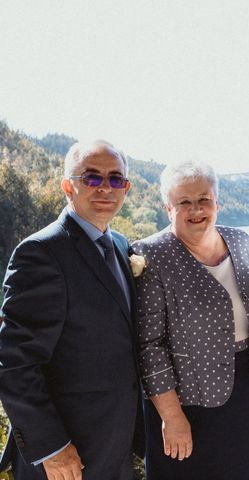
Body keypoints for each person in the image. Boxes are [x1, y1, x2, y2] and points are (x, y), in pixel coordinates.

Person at [0, 140, 139, 479]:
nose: (105, 187)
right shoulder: (41, 252)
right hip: (65, 455)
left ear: (126, 188)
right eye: (91, 178)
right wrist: (51, 446)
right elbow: (14, 362)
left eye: (115, 179)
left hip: (117, 447)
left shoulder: (121, 245)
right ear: (67, 186)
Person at [132, 161, 249, 480]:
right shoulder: (152, 254)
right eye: (184, 202)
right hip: (183, 395)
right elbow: (149, 345)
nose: (196, 210)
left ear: (217, 203)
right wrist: (171, 414)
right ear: (169, 208)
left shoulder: (241, 242)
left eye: (204, 199)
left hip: (241, 386)